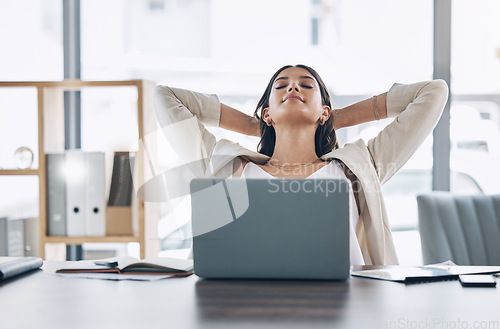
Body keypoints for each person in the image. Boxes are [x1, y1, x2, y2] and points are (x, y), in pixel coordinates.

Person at [153, 64, 449, 265]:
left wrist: (334, 119)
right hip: (242, 303)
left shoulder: (359, 167)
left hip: (348, 306)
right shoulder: (227, 166)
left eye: (306, 85)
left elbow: (433, 92)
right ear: (266, 113)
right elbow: (166, 97)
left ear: (324, 111)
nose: (293, 87)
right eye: (281, 85)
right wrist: (255, 125)